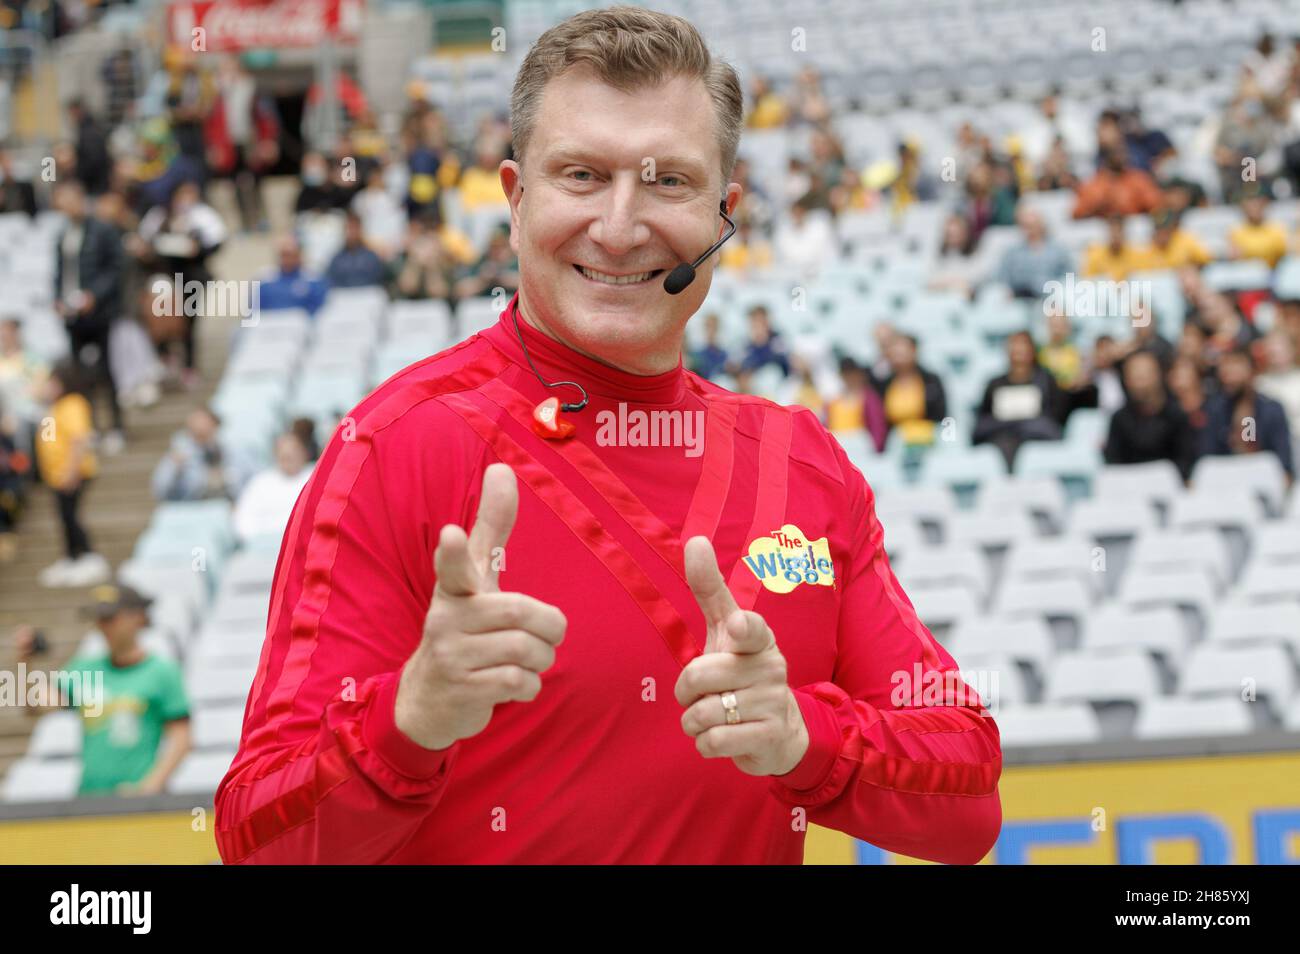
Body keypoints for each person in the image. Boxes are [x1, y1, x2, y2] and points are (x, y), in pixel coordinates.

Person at [215, 6, 1000, 866]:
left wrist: (804, 737)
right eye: (582, 176)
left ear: (724, 213)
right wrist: (409, 721)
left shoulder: (800, 462)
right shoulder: (397, 446)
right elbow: (258, 839)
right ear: (515, 199)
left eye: (668, 183)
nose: (621, 227)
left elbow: (970, 800)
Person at [16, 583, 191, 796]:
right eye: (99, 620)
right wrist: (25, 663)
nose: (103, 626)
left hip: (139, 804)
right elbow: (36, 705)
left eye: (110, 618)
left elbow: (182, 739)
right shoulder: (84, 668)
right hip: (89, 799)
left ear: (137, 617)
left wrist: (150, 787)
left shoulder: (162, 672)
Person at [52, 180, 126, 453]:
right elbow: (60, 273)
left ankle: (116, 426)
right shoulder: (62, 234)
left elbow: (116, 268)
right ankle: (89, 427)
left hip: (98, 314)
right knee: (79, 375)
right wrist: (57, 299)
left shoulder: (102, 231)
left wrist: (94, 295)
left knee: (106, 370)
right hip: (72, 315)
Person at [36, 363, 110, 587]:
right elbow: (49, 439)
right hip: (55, 475)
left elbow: (79, 439)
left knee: (71, 515)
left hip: (73, 472)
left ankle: (87, 554)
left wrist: (72, 470)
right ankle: (70, 556)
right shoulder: (54, 408)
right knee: (64, 516)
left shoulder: (73, 404)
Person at [1199, 347, 1295, 482]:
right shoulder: (1215, 410)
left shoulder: (1271, 410)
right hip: (1225, 484)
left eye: (1236, 365)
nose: (1229, 373)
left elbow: (1284, 464)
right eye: (1226, 366)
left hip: (1263, 484)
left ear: (1252, 371)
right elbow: (1206, 460)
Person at [974, 330, 1066, 469]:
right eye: (1014, 346)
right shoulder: (995, 384)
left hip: (1038, 442)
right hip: (1003, 442)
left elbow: (1054, 422)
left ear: (1032, 350)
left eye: (1023, 346)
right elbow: (981, 425)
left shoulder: (1045, 381)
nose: (1018, 351)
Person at [1104, 350, 1196, 479]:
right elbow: (1113, 464)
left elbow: (1186, 464)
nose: (1139, 383)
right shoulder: (1119, 419)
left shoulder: (1177, 417)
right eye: (1133, 376)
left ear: (1159, 375)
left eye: (1144, 376)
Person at [152, 407, 253, 502]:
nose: (201, 428)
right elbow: (160, 490)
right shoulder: (179, 455)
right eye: (195, 425)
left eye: (205, 423)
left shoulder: (233, 452)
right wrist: (174, 467)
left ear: (215, 425)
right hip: (195, 511)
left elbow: (255, 480)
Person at [232, 430, 313, 544]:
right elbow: (243, 521)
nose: (288, 458)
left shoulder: (316, 476)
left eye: (293, 453)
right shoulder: (260, 483)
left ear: (304, 453)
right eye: (284, 455)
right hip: (264, 546)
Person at [877, 333, 946, 446]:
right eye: (895, 352)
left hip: (927, 438)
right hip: (895, 442)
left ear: (914, 351)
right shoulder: (884, 383)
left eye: (903, 351)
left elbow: (942, 415)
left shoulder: (931, 380)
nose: (898, 356)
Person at [995, 207, 1073, 300]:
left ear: (1041, 225)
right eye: (1025, 225)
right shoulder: (1012, 252)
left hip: (1049, 298)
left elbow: (1069, 276)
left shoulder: (1058, 250)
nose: (1029, 229)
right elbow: (1002, 277)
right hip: (1019, 299)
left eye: (1033, 225)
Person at [257, 236, 329, 317]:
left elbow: (320, 310)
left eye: (292, 255)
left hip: (302, 326)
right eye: (284, 255)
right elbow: (255, 311)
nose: (288, 259)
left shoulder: (314, 280)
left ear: (299, 255)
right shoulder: (264, 281)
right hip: (270, 324)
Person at [326, 212, 390, 289]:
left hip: (368, 294)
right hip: (344, 295)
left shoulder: (371, 256)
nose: (351, 233)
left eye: (354, 228)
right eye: (349, 228)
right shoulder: (337, 258)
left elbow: (380, 279)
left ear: (360, 230)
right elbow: (332, 281)